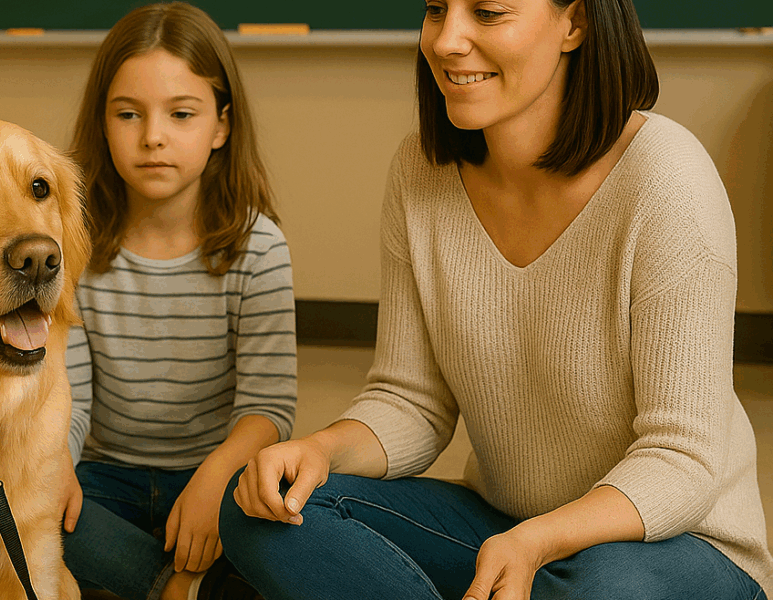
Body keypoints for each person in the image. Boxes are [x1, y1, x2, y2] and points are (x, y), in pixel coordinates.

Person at [220, 0, 773, 598]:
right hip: (507, 529)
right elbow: (412, 400)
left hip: (674, 548)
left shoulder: (667, 177)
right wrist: (319, 449)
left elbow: (682, 459)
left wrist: (539, 541)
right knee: (262, 507)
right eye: (437, 10)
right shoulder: (420, 169)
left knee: (597, 588)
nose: (447, 41)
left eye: (487, 13)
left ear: (576, 23)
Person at [59, 4, 297, 599]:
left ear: (220, 126)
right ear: (102, 122)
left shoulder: (258, 246)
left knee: (287, 520)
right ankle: (175, 586)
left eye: (181, 114)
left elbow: (267, 407)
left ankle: (158, 577)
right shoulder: (75, 245)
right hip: (106, 477)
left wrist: (216, 477)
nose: (153, 137)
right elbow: (71, 399)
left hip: (213, 472)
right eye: (128, 114)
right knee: (23, 504)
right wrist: (55, 466)